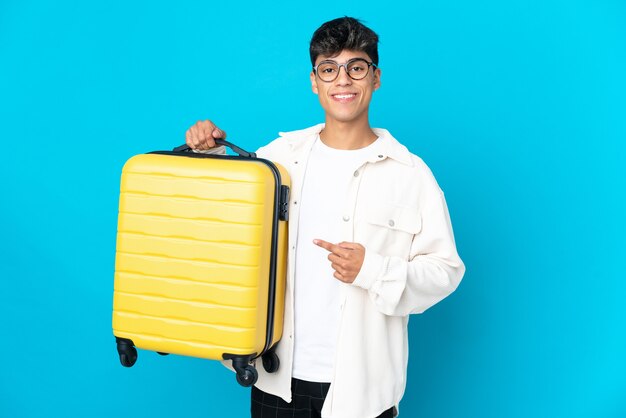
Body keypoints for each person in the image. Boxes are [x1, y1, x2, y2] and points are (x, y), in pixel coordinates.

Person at [185, 16, 465, 418]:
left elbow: (446, 271)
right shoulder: (278, 159)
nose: (343, 80)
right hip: (275, 382)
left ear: (375, 78)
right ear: (315, 81)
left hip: (362, 395)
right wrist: (209, 155)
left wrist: (373, 269)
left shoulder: (410, 174)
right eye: (329, 69)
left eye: (357, 67)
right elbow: (223, 226)